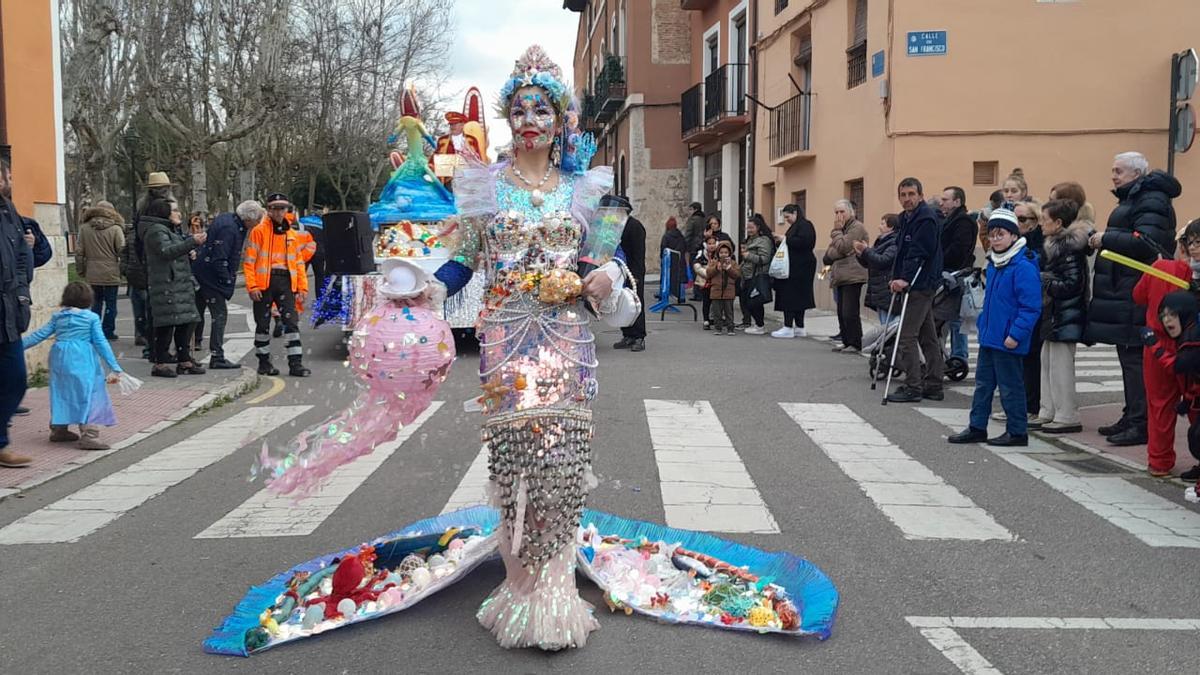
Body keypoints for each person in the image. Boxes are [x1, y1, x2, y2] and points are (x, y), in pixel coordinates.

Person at [428, 45, 621, 650]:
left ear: (561, 119)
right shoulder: (482, 188)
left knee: (562, 465)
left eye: (542, 108)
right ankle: (522, 583)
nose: (530, 118)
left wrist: (602, 278)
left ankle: (555, 589)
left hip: (566, 341)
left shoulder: (587, 189)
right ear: (508, 119)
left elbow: (606, 258)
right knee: (515, 465)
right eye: (519, 108)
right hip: (506, 343)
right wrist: (420, 291)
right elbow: (462, 262)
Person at [1085, 151, 1182, 446]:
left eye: (1119, 171)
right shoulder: (1135, 198)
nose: (1113, 175)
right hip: (1123, 289)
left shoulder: (1150, 199)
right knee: (1128, 357)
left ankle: (1141, 423)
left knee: (1135, 359)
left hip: (1134, 289)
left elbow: (1145, 243)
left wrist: (1106, 238)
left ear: (1137, 174)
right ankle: (1132, 415)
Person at [949, 208, 1042, 446]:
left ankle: (1017, 431)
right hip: (991, 336)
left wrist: (1015, 335)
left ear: (1013, 236)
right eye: (992, 235)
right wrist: (982, 324)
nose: (995, 239)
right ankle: (977, 426)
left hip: (1008, 339)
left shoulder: (1023, 266)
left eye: (1001, 234)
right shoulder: (995, 264)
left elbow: (1030, 307)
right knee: (983, 385)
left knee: (1011, 388)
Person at [1132, 219, 1200, 476]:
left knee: (1160, 405)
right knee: (1195, 403)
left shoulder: (1159, 267)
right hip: (1190, 345)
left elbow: (1138, 296)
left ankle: (1160, 462)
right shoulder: (1188, 275)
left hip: (1157, 343)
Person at [22, 282, 125, 450]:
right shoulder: (91, 318)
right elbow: (100, 342)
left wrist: (15, 346)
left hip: (59, 356)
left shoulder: (59, 316)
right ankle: (89, 434)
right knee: (89, 392)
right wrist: (114, 366)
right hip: (81, 356)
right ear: (88, 299)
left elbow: (40, 334)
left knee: (62, 391)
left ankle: (59, 429)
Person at [885, 178, 946, 403]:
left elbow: (919, 253)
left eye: (911, 194)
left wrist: (905, 279)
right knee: (927, 335)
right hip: (916, 283)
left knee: (906, 336)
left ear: (920, 195)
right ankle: (934, 383)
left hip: (920, 284)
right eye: (903, 195)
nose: (907, 199)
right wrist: (895, 275)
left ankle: (913, 386)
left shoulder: (926, 219)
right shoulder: (905, 218)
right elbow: (902, 251)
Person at [1037, 199, 1092, 434]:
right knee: (1047, 362)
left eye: (1044, 220)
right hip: (1056, 314)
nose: (1041, 224)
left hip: (1065, 314)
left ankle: (1066, 414)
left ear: (1058, 223)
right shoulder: (1056, 246)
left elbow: (1073, 284)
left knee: (1061, 366)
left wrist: (1045, 280)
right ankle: (1048, 410)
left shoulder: (1068, 249)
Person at [244, 193, 311, 377]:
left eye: (283, 208)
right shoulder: (259, 231)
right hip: (264, 284)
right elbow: (249, 261)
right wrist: (252, 286)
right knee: (263, 325)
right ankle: (264, 363)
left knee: (291, 323)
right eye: (276, 208)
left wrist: (302, 288)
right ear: (269, 210)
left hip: (285, 282)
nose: (280, 212)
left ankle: (295, 364)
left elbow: (298, 263)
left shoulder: (291, 234)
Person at [193, 200, 264, 369]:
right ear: (249, 219)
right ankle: (216, 356)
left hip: (201, 272)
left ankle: (185, 354)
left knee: (196, 314)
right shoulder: (231, 230)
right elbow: (220, 259)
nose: (258, 224)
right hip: (210, 278)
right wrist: (227, 281)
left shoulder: (227, 220)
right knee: (219, 315)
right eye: (257, 221)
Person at [143, 198, 206, 377]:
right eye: (175, 210)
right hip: (167, 284)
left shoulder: (169, 229)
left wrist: (187, 251)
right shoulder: (156, 231)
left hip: (177, 283)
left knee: (188, 320)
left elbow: (174, 250)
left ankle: (184, 359)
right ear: (164, 213)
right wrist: (191, 243)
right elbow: (166, 252)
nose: (179, 213)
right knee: (166, 323)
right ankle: (160, 363)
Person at [0, 161, 32, 468]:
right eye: (6, 176)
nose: (9, 180)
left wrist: (22, 294)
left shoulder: (8, 211)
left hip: (8, 308)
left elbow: (22, 256)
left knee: (16, 379)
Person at [1155, 291, 1200, 480]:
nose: (1167, 320)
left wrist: (1153, 345)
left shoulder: (1194, 338)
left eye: (1172, 315)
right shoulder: (1188, 334)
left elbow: (1178, 365)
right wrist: (1188, 400)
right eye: (1163, 316)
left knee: (1198, 436)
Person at [1014, 200, 1045, 427]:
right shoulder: (1016, 242)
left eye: (1023, 219)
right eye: (1015, 218)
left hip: (1034, 307)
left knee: (1031, 357)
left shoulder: (1038, 246)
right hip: (1015, 305)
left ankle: (1031, 406)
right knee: (1019, 359)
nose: (1018, 223)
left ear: (1035, 222)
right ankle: (1020, 404)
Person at [76, 201, 126, 340]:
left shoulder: (84, 228)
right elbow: (122, 251)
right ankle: (108, 331)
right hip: (111, 271)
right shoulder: (116, 229)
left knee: (96, 303)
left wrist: (81, 270)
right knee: (111, 303)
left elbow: (79, 252)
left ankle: (95, 330)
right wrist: (122, 270)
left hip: (92, 271)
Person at [939, 186, 977, 362]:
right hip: (949, 272)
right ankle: (949, 354)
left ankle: (959, 356)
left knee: (956, 318)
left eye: (945, 199)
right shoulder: (951, 220)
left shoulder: (963, 222)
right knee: (946, 316)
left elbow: (958, 249)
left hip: (956, 274)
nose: (942, 203)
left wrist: (939, 259)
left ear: (957, 201)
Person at [824, 199, 868, 351]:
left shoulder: (856, 227)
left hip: (853, 275)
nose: (839, 215)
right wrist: (838, 247)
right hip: (840, 276)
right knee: (841, 312)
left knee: (850, 312)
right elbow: (828, 255)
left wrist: (836, 233)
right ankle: (846, 340)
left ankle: (855, 343)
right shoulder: (842, 229)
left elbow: (843, 246)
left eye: (842, 212)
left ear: (851, 212)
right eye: (836, 212)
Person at [772, 204, 817, 337]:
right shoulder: (797, 226)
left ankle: (788, 326)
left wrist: (784, 239)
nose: (787, 220)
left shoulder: (805, 225)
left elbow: (804, 242)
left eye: (788, 217)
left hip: (799, 268)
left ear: (795, 213)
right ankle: (799, 326)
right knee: (798, 297)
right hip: (797, 266)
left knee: (791, 296)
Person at [609, 195, 646, 352]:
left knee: (635, 303)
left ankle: (639, 336)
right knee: (622, 303)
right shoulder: (617, 225)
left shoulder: (635, 226)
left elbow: (638, 253)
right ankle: (627, 334)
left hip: (633, 271)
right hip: (620, 270)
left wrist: (636, 275)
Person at [740, 214, 774, 336]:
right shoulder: (750, 240)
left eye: (751, 228)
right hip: (747, 275)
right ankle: (757, 324)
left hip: (757, 275)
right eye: (748, 228)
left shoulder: (763, 240)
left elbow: (765, 258)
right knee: (748, 301)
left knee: (754, 301)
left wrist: (749, 256)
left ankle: (760, 325)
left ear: (758, 227)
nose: (749, 230)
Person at [706, 240, 740, 335]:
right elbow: (708, 273)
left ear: (730, 253)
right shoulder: (714, 262)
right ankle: (718, 328)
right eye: (721, 252)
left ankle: (730, 328)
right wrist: (716, 268)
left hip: (729, 291)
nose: (723, 254)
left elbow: (736, 275)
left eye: (726, 252)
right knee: (717, 312)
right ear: (718, 253)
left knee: (729, 312)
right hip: (716, 291)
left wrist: (729, 268)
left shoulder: (733, 263)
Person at [658, 216, 688, 303]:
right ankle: (681, 296)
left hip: (669, 260)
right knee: (681, 278)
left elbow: (663, 248)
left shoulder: (666, 236)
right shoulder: (681, 236)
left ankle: (663, 294)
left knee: (665, 276)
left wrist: (662, 258)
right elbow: (684, 247)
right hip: (680, 260)